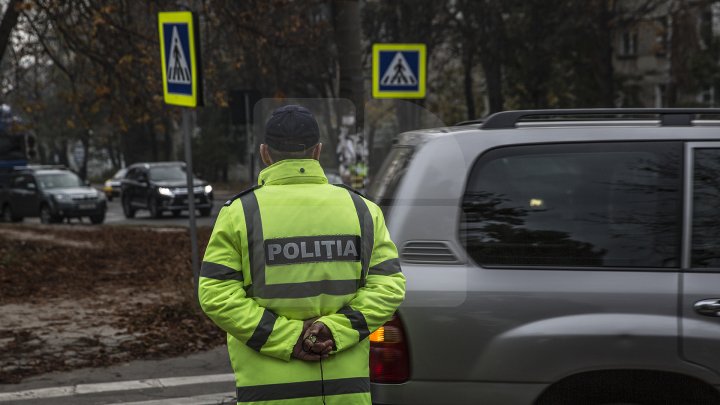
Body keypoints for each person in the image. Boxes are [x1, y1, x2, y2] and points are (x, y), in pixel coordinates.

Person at [198, 104, 406, 405]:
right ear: (317, 152)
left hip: (269, 394)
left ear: (265, 153)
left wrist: (288, 338)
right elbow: (389, 286)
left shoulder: (241, 214)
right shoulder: (362, 211)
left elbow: (215, 292)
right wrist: (336, 331)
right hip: (345, 395)